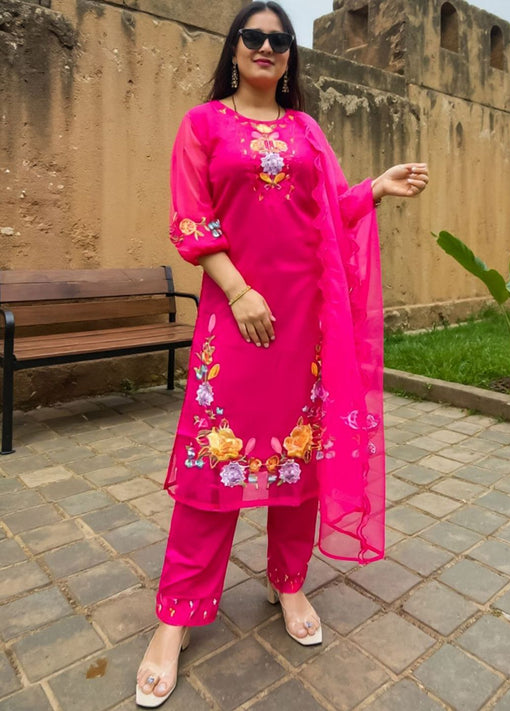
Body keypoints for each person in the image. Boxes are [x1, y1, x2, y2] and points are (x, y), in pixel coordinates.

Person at [136, 1, 429, 706]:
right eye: (253, 36)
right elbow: (191, 221)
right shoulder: (203, 124)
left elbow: (328, 209)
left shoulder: (305, 130)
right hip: (235, 317)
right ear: (235, 49)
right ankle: (176, 616)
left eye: (279, 39)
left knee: (301, 456)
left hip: (304, 322)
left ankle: (288, 581)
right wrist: (239, 292)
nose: (265, 47)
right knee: (214, 462)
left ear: (290, 55)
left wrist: (375, 188)